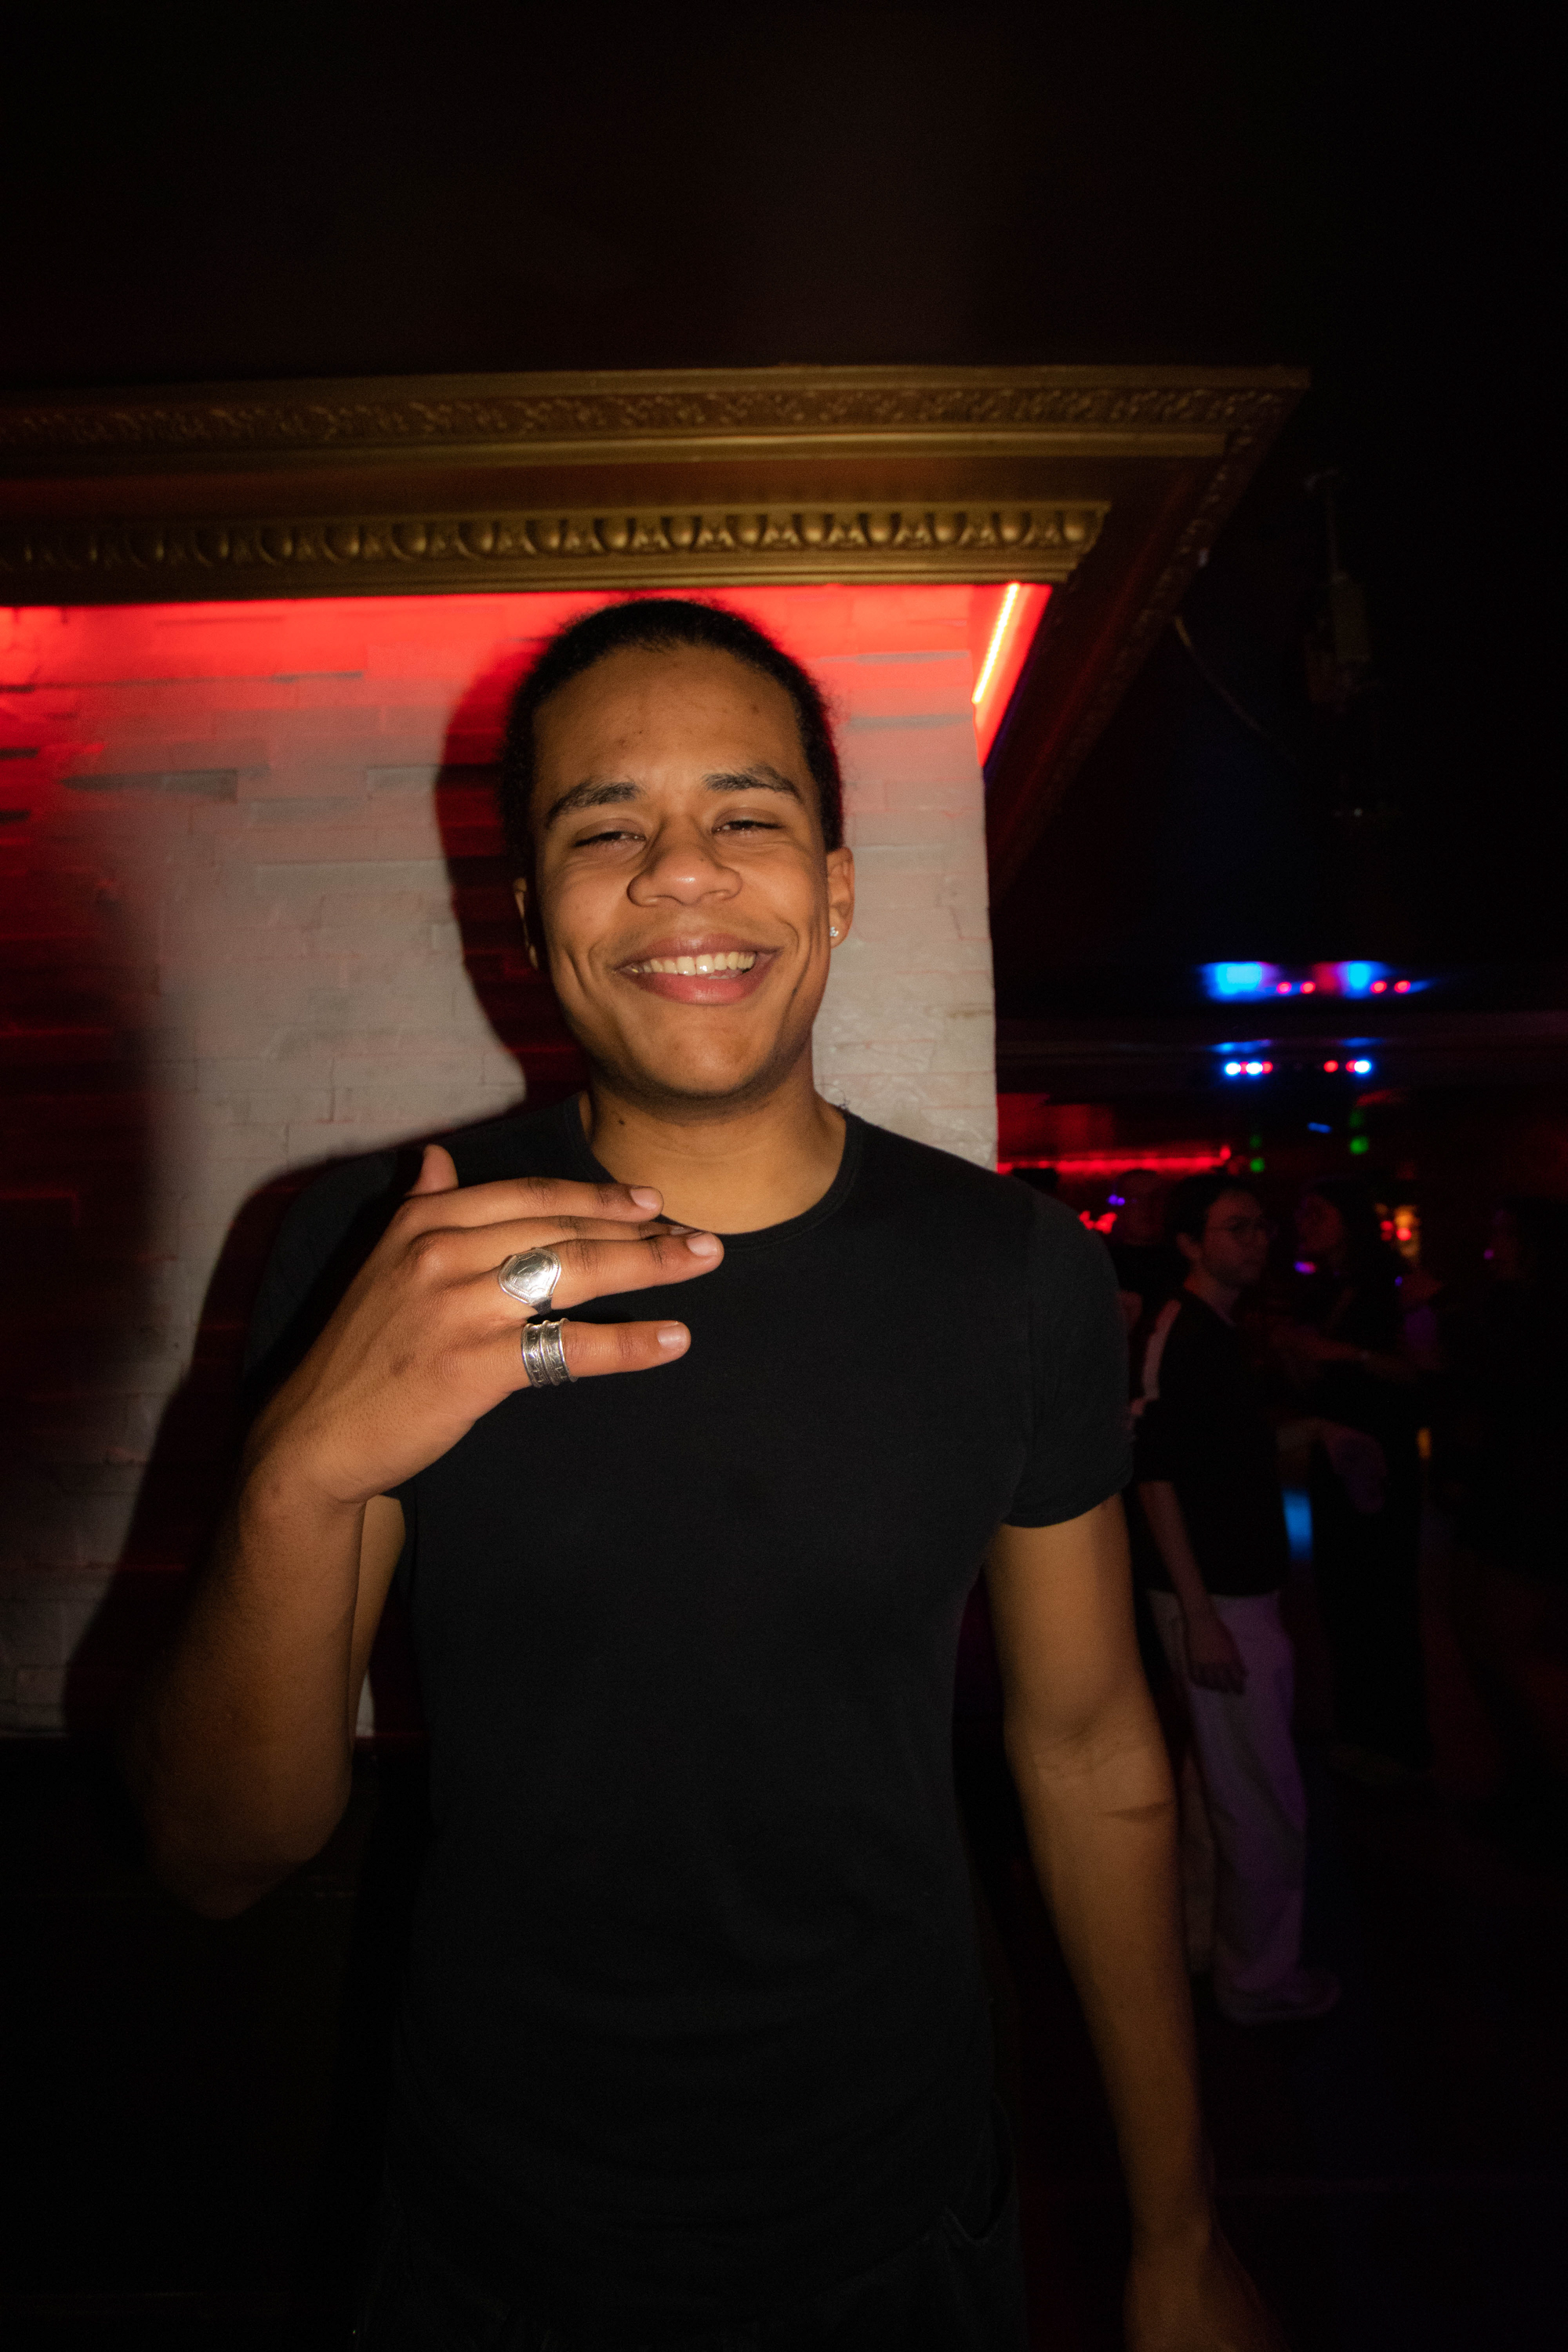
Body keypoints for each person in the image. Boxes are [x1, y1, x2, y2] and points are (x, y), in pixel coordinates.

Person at [128, 600, 1282, 2350]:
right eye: (607, 829)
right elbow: (220, 1855)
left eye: (746, 814)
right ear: (531, 916)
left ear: (834, 885)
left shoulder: (1014, 1274)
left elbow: (1090, 1748)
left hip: (901, 2219)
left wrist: (1177, 2233)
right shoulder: (390, 1251)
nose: (681, 871)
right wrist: (301, 1467)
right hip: (488, 2239)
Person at [1134, 1174, 1339, 2027]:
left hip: (1229, 1594)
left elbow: (1223, 1455)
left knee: (1218, 1788)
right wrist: (1201, 1616)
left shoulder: (1216, 1332)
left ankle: (1198, 1944)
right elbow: (1153, 1475)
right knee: (1262, 1802)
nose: (1258, 1240)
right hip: (1217, 1601)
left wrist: (1322, 1432)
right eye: (1236, 1227)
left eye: (1260, 1226)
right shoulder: (1180, 1332)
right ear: (1190, 1243)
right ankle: (1256, 1983)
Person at [1281, 1178, 1429, 1780]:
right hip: (1336, 1450)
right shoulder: (1319, 1288)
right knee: (1341, 1593)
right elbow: (1307, 1383)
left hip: (1382, 1454)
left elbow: (1421, 1374)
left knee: (1383, 1594)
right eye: (1303, 1215)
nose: (1306, 1225)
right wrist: (1294, 1352)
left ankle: (1401, 1745)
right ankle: (1358, 1728)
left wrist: (1348, 1355)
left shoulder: (1394, 1284)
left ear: (1348, 1219)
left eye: (1317, 1213)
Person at [1441, 1196, 1568, 1862]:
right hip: (1501, 1488)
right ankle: (1527, 1788)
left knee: (1515, 1649)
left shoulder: (1547, 1314)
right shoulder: (1505, 1304)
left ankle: (1549, 1799)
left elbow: (1513, 1387)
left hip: (1536, 1496)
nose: (1494, 1248)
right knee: (1479, 1636)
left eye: (1506, 1236)